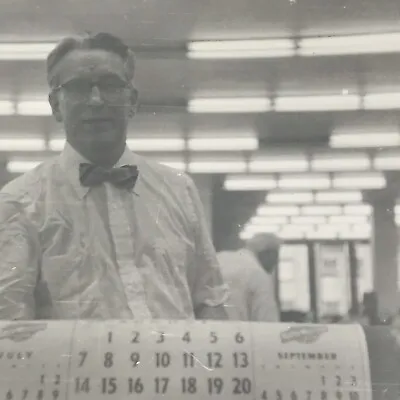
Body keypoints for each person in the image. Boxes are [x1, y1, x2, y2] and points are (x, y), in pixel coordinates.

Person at [0, 32, 228, 321]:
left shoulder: (179, 189)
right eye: (79, 87)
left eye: (110, 85)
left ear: (131, 100)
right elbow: (9, 324)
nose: (96, 100)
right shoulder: (19, 202)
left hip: (174, 366)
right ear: (56, 105)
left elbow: (210, 299)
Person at [217, 233, 280, 322]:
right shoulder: (258, 274)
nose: (276, 262)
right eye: (276, 256)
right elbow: (267, 321)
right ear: (269, 254)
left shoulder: (220, 258)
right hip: (238, 333)